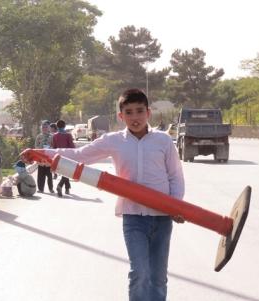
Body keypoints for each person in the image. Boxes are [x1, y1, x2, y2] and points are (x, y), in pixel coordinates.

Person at [23, 89, 186, 300]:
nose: (134, 117)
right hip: (133, 217)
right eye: (129, 112)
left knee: (158, 277)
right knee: (140, 273)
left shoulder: (163, 141)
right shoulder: (114, 141)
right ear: (121, 116)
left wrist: (177, 206)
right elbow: (79, 155)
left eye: (139, 111)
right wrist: (41, 154)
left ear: (148, 113)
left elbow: (175, 176)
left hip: (163, 218)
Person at [51, 119, 76, 197]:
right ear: (65, 126)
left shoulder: (54, 135)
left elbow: (54, 147)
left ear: (57, 126)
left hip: (58, 156)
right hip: (67, 156)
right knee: (67, 172)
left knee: (64, 172)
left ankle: (67, 188)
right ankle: (60, 185)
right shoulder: (68, 135)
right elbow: (72, 146)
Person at [34, 120, 55, 194]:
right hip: (40, 158)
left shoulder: (52, 136)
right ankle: (40, 189)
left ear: (48, 128)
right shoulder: (39, 136)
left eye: (46, 127)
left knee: (49, 175)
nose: (44, 128)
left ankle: (51, 189)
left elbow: (54, 146)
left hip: (48, 159)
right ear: (41, 128)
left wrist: (50, 149)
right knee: (40, 175)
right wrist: (39, 150)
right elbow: (36, 146)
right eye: (43, 127)